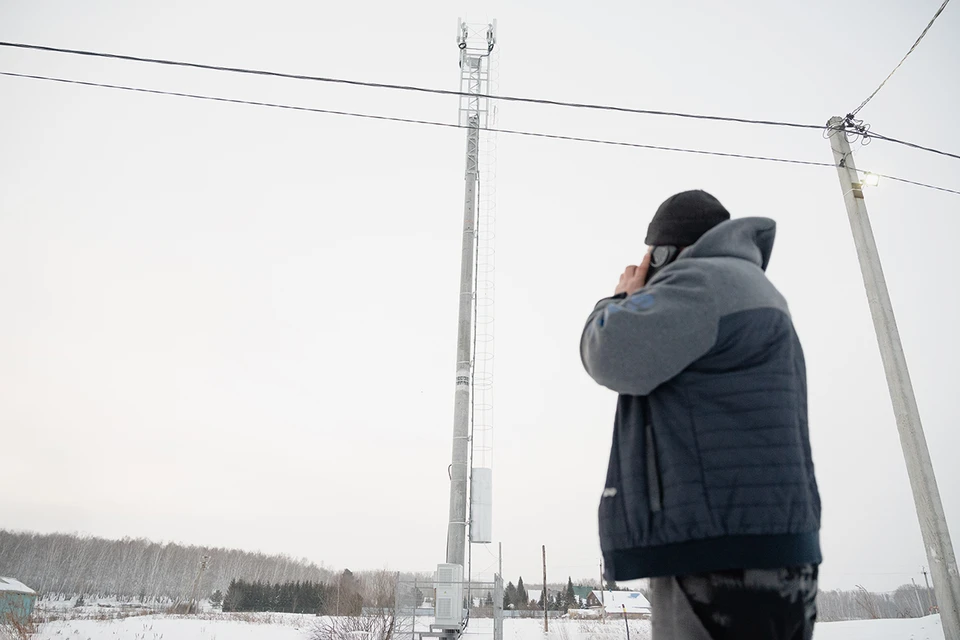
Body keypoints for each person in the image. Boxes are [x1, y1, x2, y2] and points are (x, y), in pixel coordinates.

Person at [580, 190, 821, 640]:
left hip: (718, 556)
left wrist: (618, 299)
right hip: (776, 546)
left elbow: (608, 351)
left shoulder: (700, 283)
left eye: (650, 256)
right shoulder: (758, 290)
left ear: (664, 253)